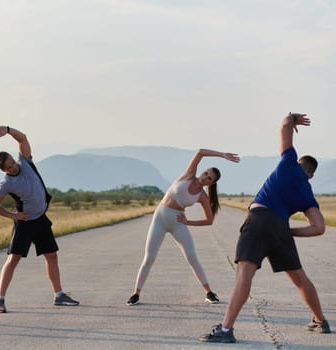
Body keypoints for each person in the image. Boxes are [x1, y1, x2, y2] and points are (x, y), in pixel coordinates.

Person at [200, 113, 331, 343]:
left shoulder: (289, 162)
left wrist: (293, 119)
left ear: (300, 164)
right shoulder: (307, 193)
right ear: (311, 175)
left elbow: (284, 126)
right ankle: (320, 321)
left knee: (244, 276)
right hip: (280, 227)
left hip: (259, 220)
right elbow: (319, 227)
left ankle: (225, 330)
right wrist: (289, 232)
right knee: (300, 278)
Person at [127, 148, 240, 306]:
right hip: (159, 218)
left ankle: (209, 292)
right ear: (203, 172)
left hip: (177, 223)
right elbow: (200, 152)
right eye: (206, 173)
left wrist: (188, 223)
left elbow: (209, 220)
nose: (205, 178)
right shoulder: (188, 175)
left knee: (192, 257)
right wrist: (223, 154)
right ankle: (136, 294)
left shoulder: (202, 196)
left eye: (209, 179)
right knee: (149, 257)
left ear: (211, 184)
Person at [0, 125, 79, 313]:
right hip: (25, 223)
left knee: (52, 256)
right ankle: (0, 299)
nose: (13, 166)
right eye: (9, 166)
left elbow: (23, 139)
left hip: (41, 220)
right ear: (3, 169)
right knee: (13, 259)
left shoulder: (25, 162)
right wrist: (13, 215)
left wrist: (7, 129)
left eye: (13, 162)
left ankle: (59, 295)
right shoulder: (6, 183)